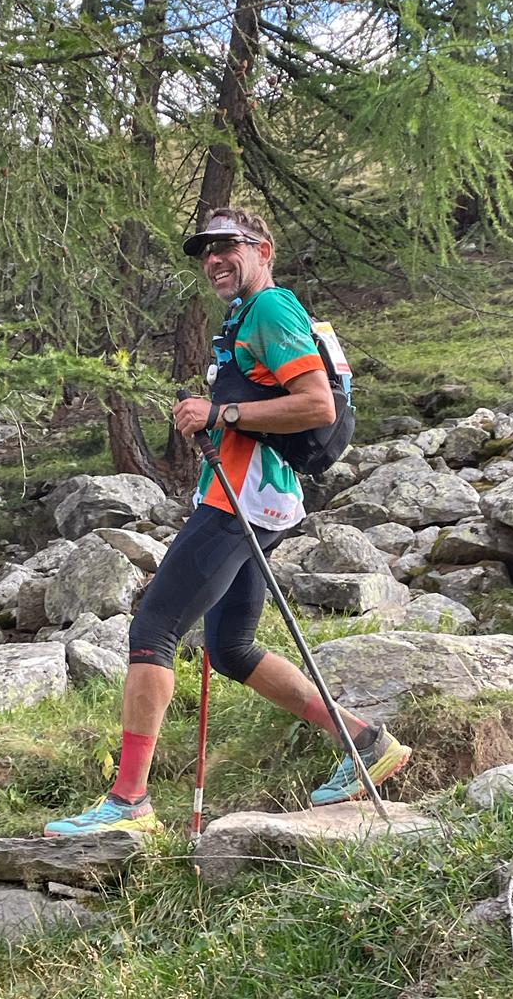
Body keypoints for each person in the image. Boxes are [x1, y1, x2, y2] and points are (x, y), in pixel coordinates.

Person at [44, 208, 411, 836]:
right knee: (230, 648)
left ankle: (129, 802)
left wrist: (222, 414)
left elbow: (316, 403)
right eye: (204, 251)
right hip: (253, 497)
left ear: (262, 249)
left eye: (227, 247)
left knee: (154, 626)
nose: (214, 259)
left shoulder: (271, 310)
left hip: (240, 499)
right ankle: (367, 744)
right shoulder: (242, 320)